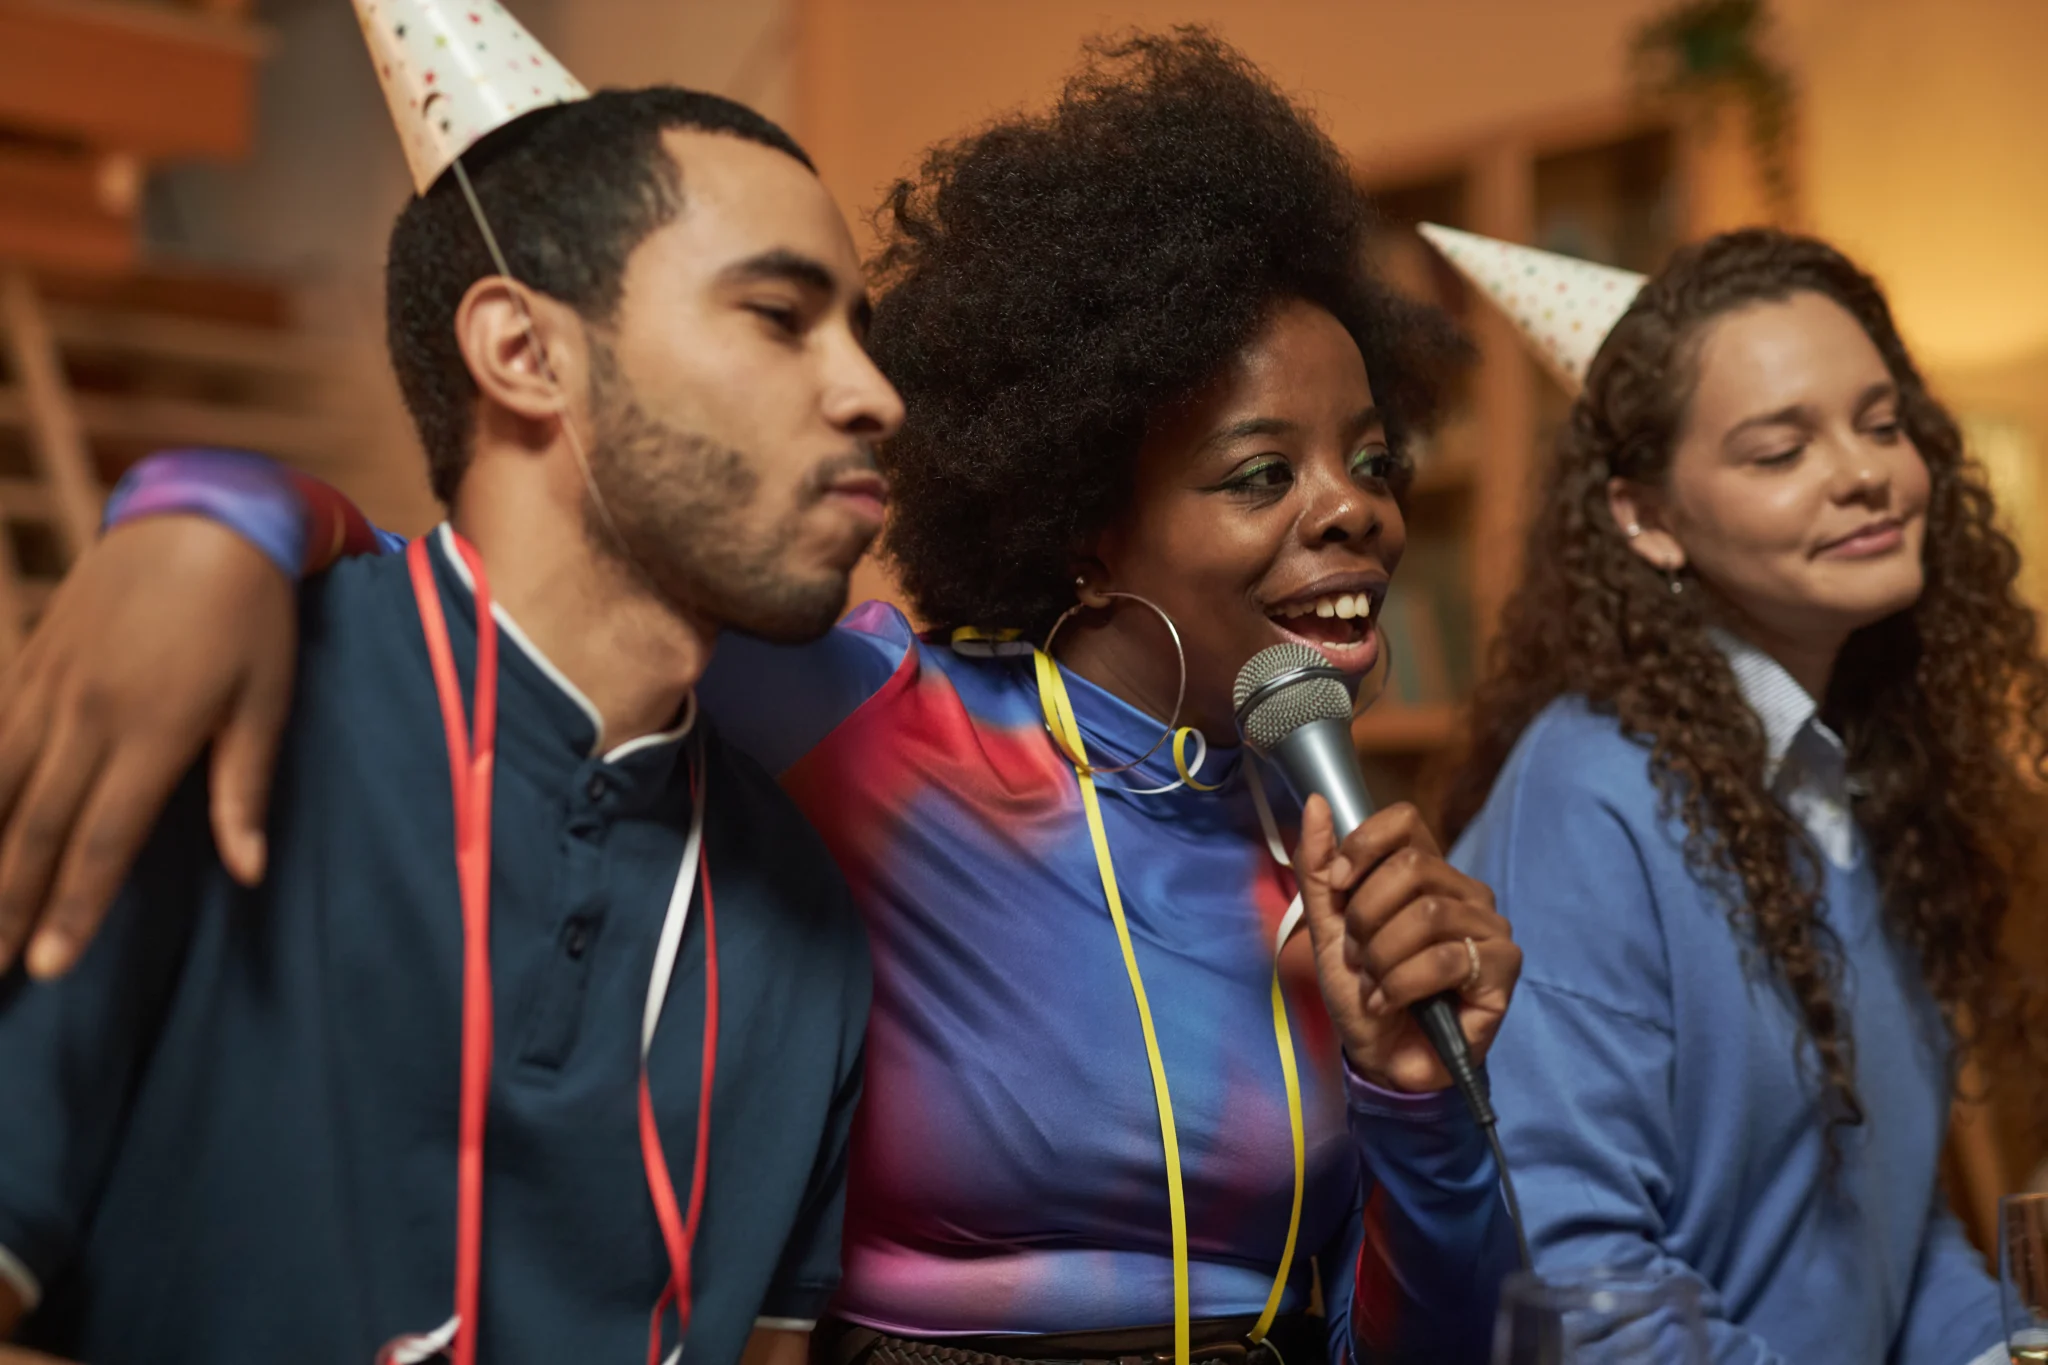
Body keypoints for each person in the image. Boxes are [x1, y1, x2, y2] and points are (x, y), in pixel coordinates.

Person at [0, 32, 1524, 1365]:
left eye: (1377, 462)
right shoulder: (872, 730)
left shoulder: (1276, 873)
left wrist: (1418, 1104)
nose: (1363, 513)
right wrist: (207, 513)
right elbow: (493, 577)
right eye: (1266, 472)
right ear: (1086, 510)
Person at [0, 79, 903, 1364]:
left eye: (860, 335)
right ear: (525, 354)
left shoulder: (808, 930)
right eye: (778, 317)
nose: (874, 395)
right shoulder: (207, 713)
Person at [1440, 228, 2047, 1363]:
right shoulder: (1591, 796)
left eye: (1879, 422)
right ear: (1645, 519)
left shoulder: (1860, 786)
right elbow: (1581, 1289)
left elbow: (1888, 1243)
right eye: (1778, 451)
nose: (1863, 470)